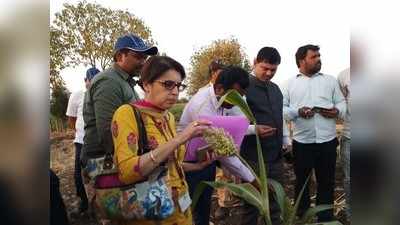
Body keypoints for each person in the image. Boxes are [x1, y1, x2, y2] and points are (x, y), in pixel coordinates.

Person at [111, 56, 212, 225]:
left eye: (178, 86)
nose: (175, 92)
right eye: (168, 84)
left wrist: (198, 166)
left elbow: (170, 165)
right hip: (153, 213)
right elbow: (126, 172)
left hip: (181, 208)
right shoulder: (127, 114)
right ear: (146, 85)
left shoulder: (169, 117)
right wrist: (181, 138)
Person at [179, 66, 256, 225]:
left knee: (204, 204)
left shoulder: (224, 100)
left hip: (206, 159)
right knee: (189, 208)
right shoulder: (203, 106)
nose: (237, 102)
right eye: (235, 97)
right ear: (219, 88)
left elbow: (232, 126)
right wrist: (252, 179)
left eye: (241, 97)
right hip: (188, 164)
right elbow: (224, 151)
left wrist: (255, 129)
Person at [282, 44, 346, 222]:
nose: (319, 59)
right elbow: (282, 109)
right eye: (314, 56)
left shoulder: (330, 81)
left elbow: (342, 103)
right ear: (302, 60)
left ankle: (324, 217)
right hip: (302, 142)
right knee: (302, 181)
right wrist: (297, 112)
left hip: (328, 141)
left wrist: (336, 112)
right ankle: (302, 217)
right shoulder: (289, 84)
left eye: (319, 55)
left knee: (327, 181)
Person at [82, 33, 158, 168]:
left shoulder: (125, 81)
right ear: (119, 56)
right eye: (138, 57)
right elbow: (108, 131)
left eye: (145, 58)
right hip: (104, 162)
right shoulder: (109, 82)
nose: (143, 63)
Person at [239, 47, 290, 225]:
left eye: (273, 69)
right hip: (252, 157)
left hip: (275, 156)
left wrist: (286, 141)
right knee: (251, 204)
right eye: (265, 68)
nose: (269, 73)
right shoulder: (242, 87)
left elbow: (280, 116)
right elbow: (233, 123)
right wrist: (254, 129)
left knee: (276, 202)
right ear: (255, 62)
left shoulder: (276, 89)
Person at [66, 67, 100, 214]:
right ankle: (84, 202)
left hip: (99, 142)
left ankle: (100, 202)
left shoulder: (102, 94)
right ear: (85, 81)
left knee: (99, 172)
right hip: (81, 141)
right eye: (90, 79)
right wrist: (80, 133)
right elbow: (71, 119)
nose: (92, 82)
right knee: (78, 175)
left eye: (96, 79)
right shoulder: (77, 95)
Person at [337, 67, 350, 219]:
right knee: (350, 178)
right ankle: (350, 213)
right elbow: (341, 103)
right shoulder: (344, 76)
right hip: (350, 135)